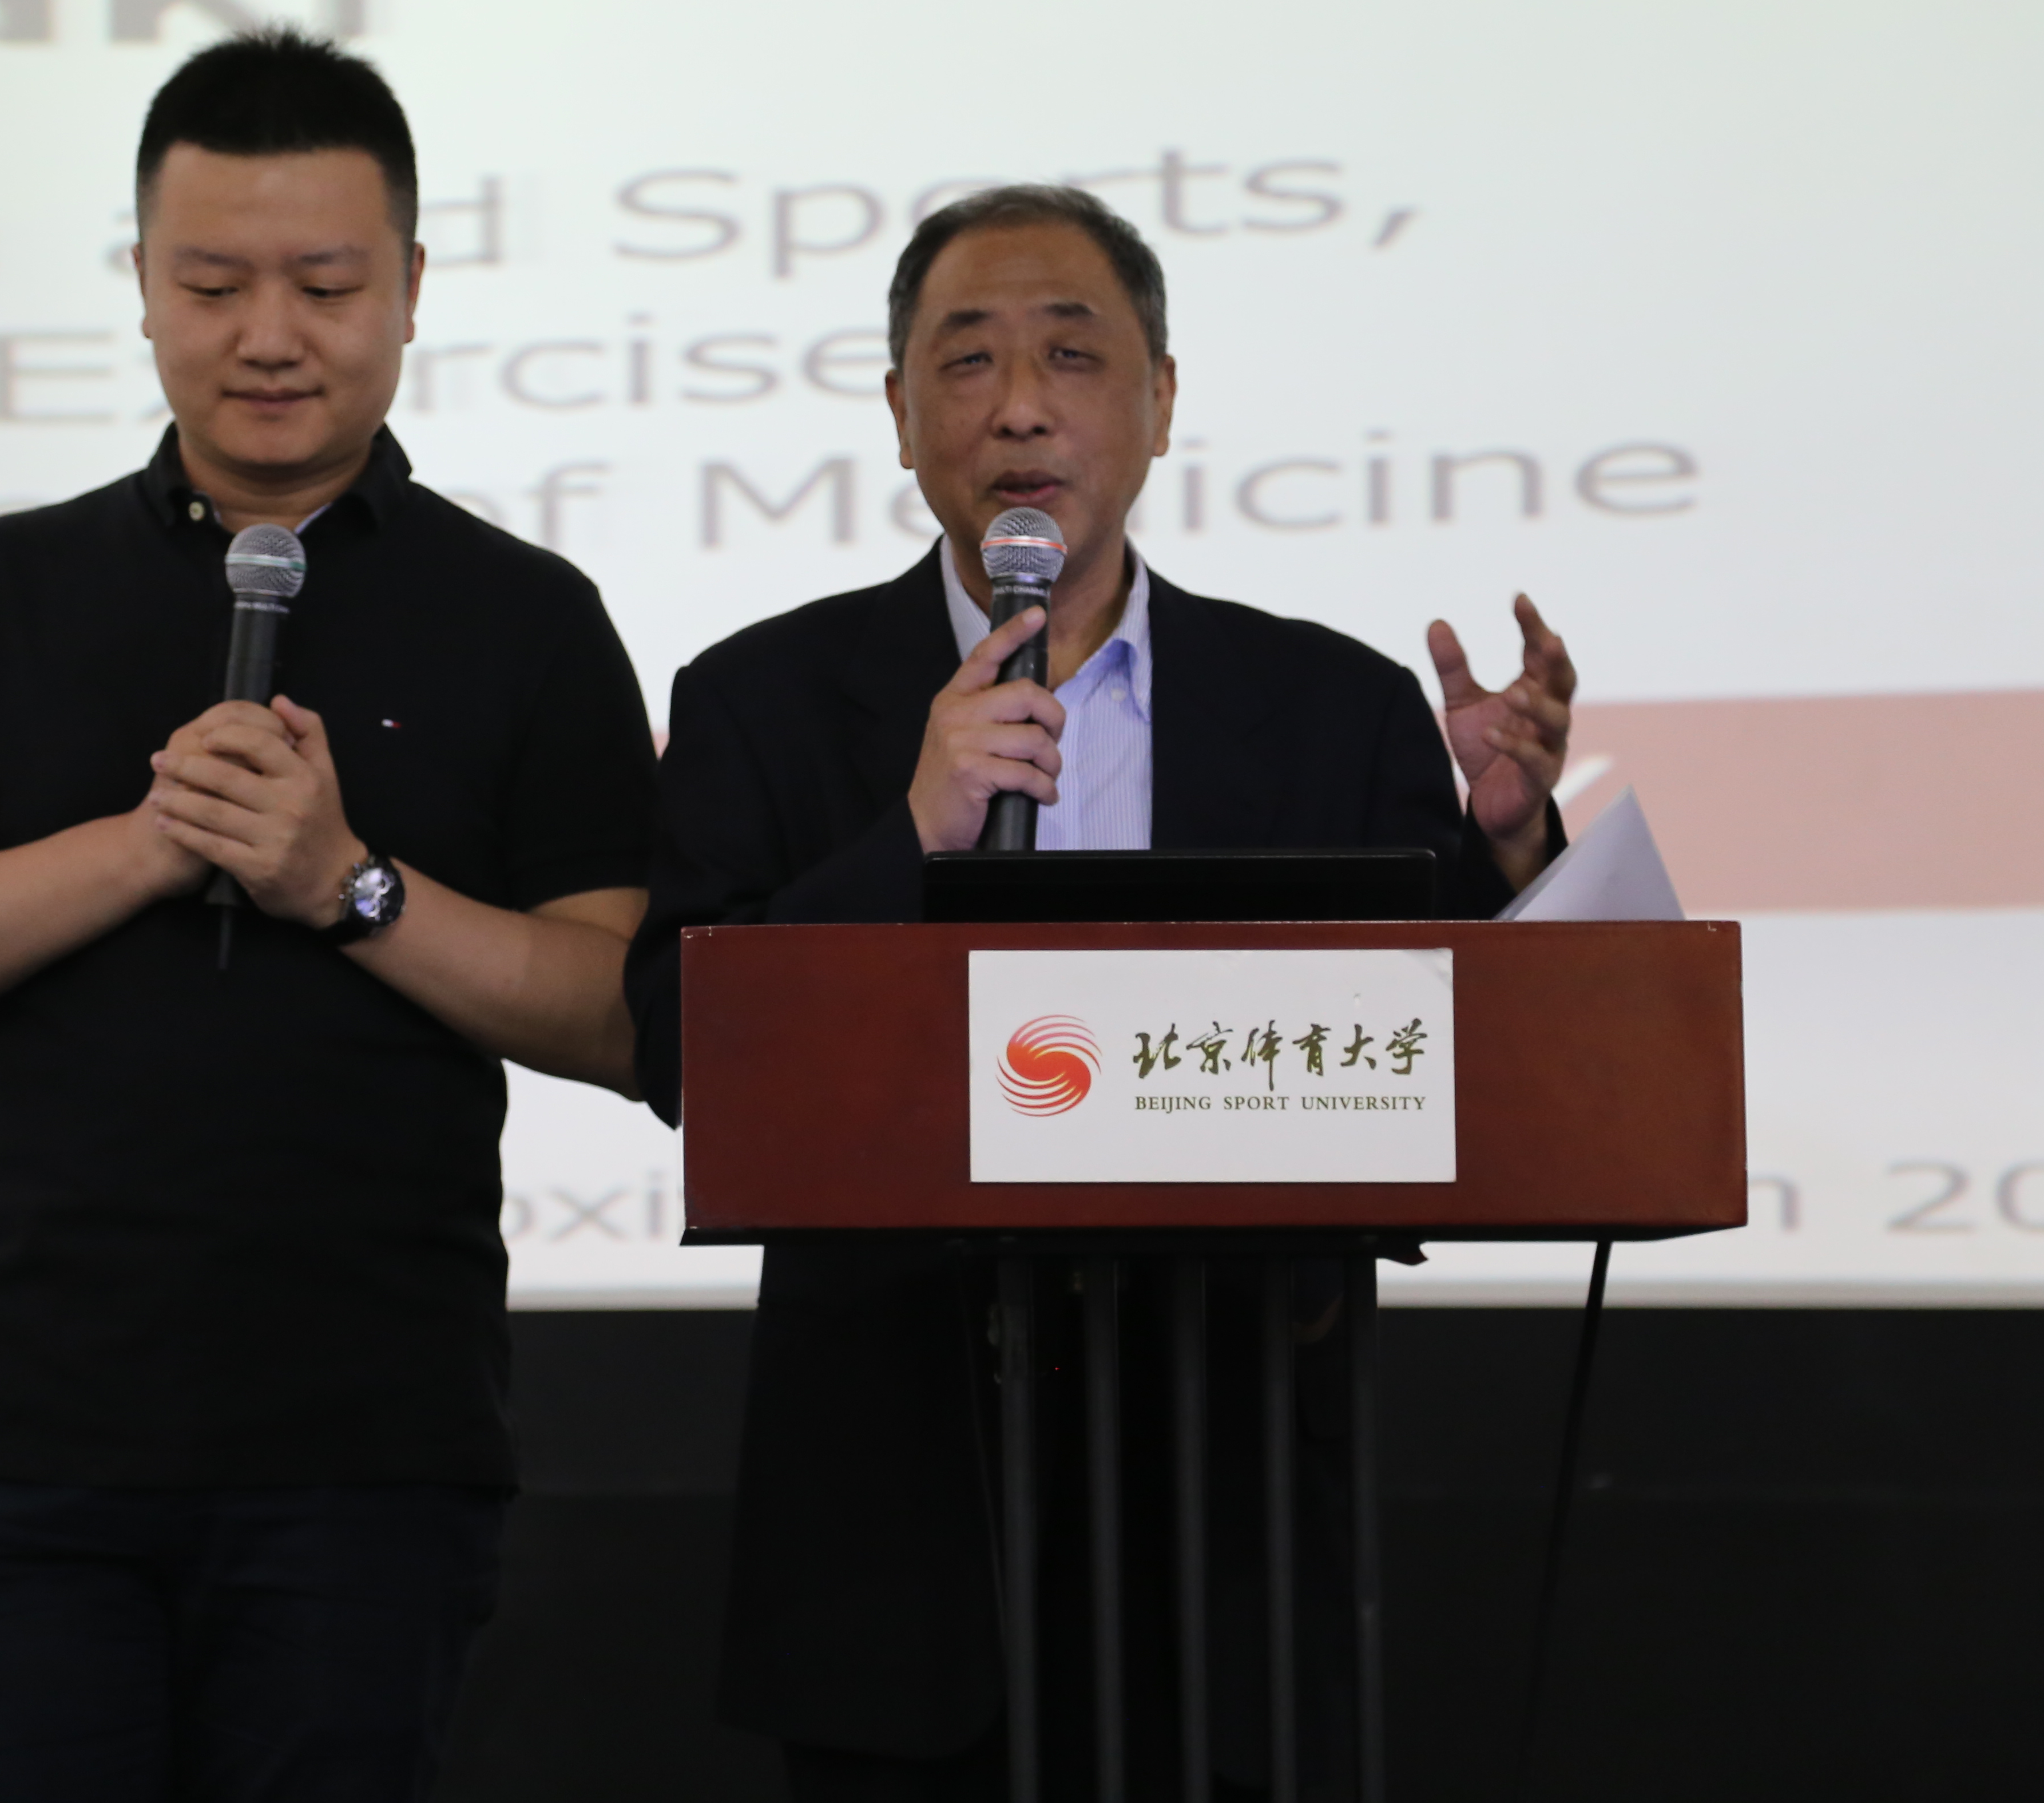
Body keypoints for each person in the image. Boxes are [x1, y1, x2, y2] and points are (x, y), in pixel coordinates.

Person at [0, 30, 660, 1802]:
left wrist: (347, 886)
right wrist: (150, 844)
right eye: (212, 284)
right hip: (32, 1438)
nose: (269, 334)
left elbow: (631, 1013)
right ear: (141, 288)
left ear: (411, 288)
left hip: (369, 1453)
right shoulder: (9, 586)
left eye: (325, 285)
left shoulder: (526, 615)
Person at [624, 185, 1578, 1801]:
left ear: (1161, 402)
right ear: (900, 413)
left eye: (1071, 356)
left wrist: (1509, 846)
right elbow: (679, 1050)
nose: (1019, 407)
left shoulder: (1329, 706)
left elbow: (1462, 1055)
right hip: (901, 1512)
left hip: (1231, 1497)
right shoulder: (761, 700)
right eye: (968, 360)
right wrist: (905, 838)